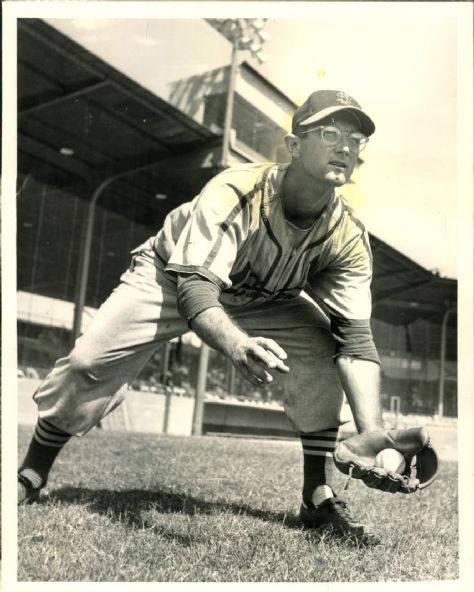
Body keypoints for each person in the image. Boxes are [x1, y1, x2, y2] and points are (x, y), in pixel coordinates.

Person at [18, 89, 384, 543]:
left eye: (356, 138)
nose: (345, 146)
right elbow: (195, 289)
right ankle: (32, 471)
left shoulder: (347, 234)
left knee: (323, 351)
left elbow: (356, 339)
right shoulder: (237, 188)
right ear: (293, 146)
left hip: (266, 297)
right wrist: (236, 345)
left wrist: (373, 432)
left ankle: (317, 496)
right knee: (87, 363)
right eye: (329, 133)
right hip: (170, 278)